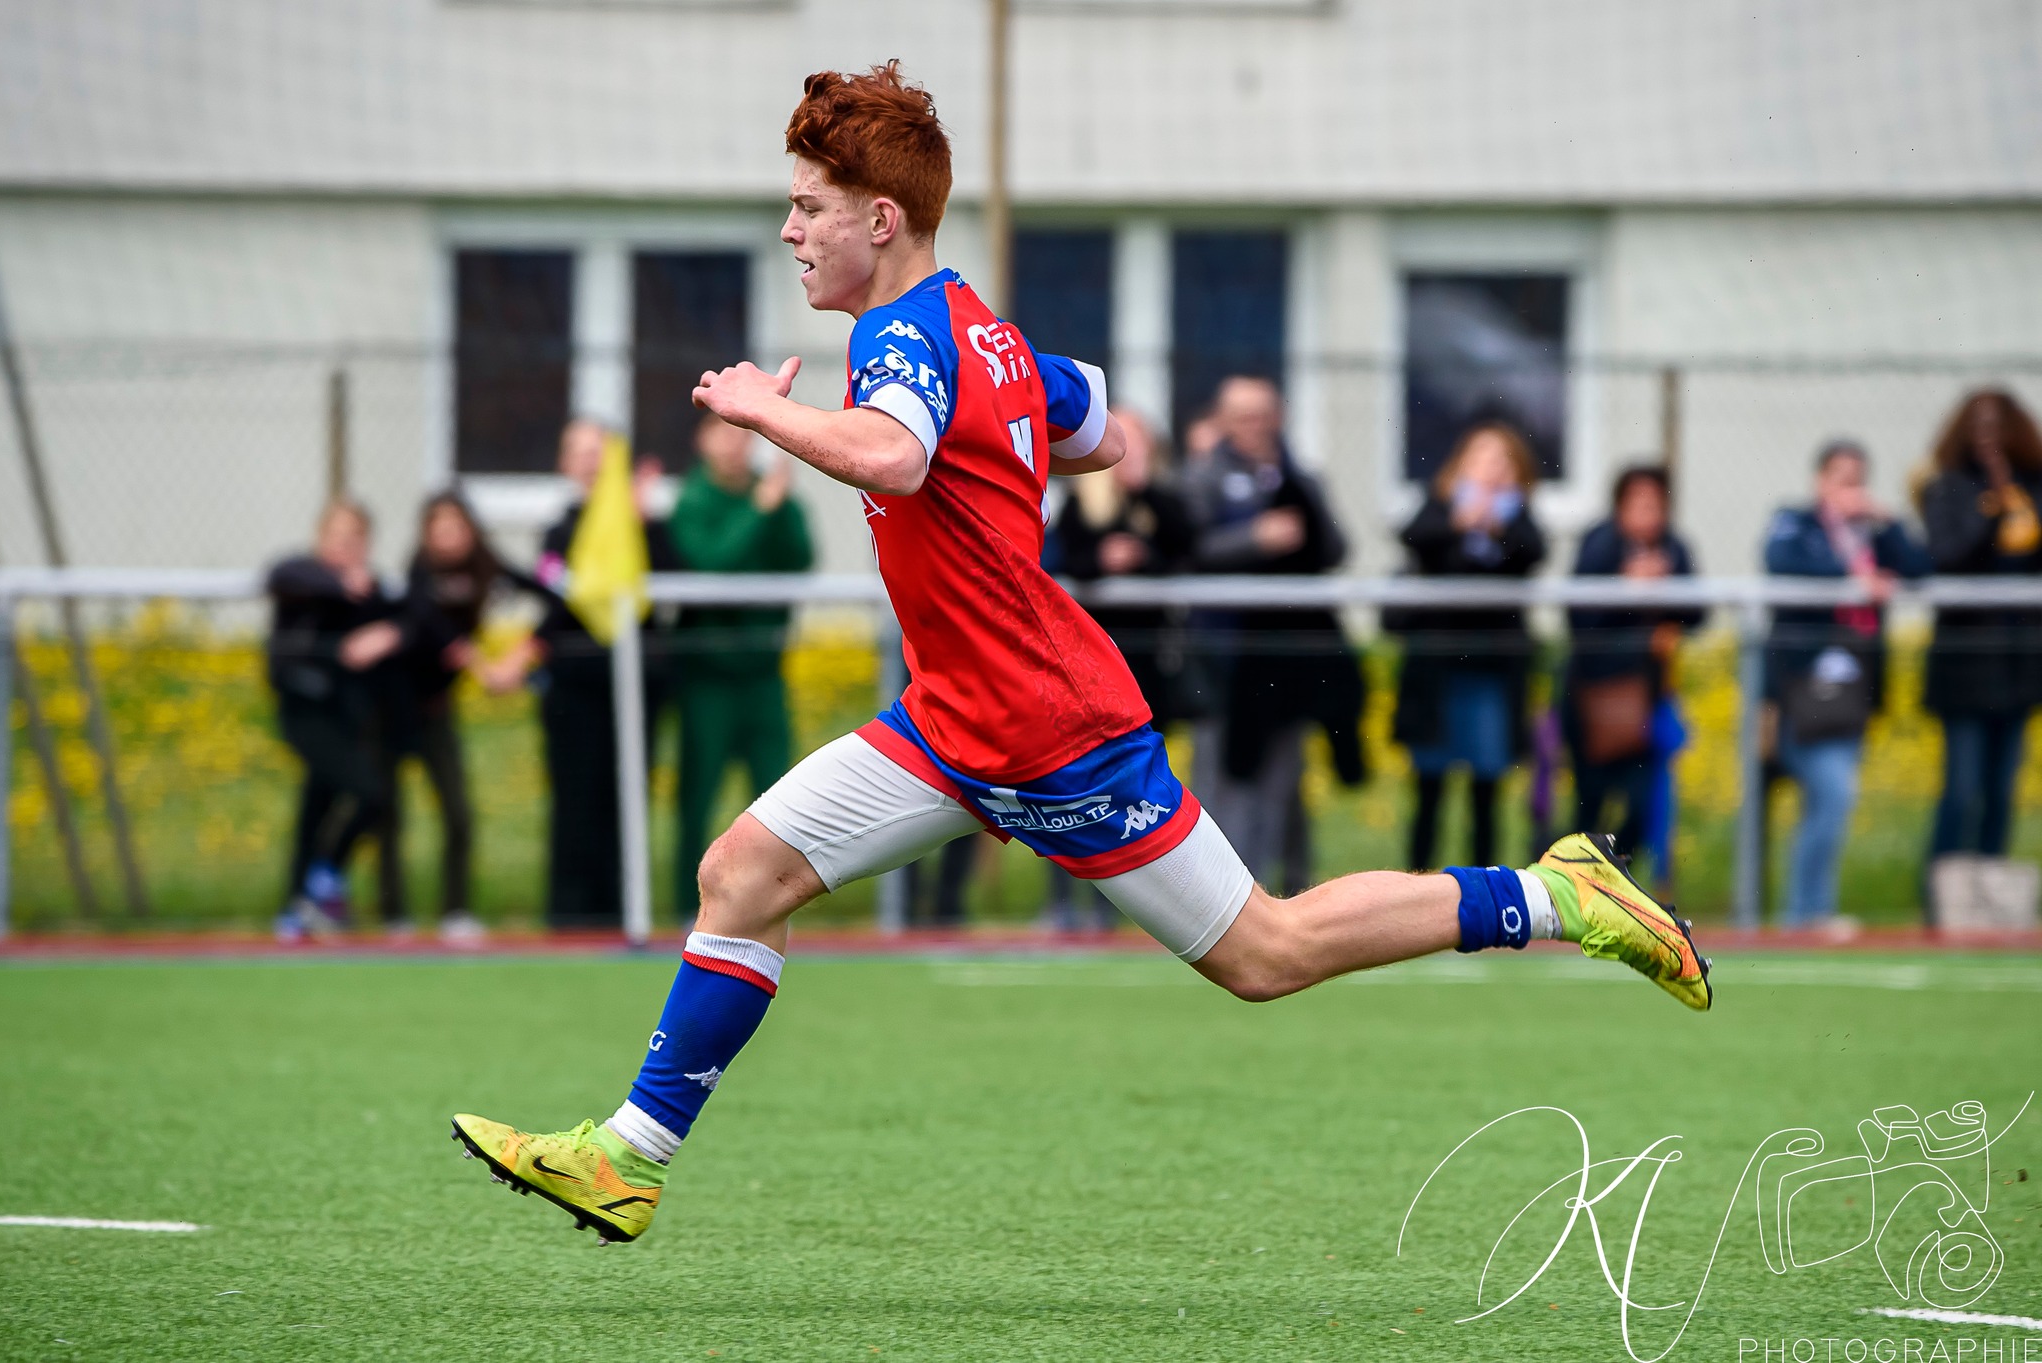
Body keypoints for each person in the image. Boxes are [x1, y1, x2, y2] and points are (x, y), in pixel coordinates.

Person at [450, 63, 1711, 1248]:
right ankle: (627, 1157)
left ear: (879, 218)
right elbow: (1111, 429)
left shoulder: (900, 344)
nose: (789, 231)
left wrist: (761, 408)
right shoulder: (978, 335)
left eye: (807, 207)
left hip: (1052, 729)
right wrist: (1016, 447)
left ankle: (1556, 895)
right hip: (954, 717)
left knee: (1262, 955)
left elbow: (893, 454)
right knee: (741, 877)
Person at [1181, 375, 1363, 895]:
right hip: (1223, 653)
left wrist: (1305, 508)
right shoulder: (1202, 478)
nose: (1254, 426)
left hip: (1285, 656)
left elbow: (1334, 549)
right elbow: (1190, 551)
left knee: (1284, 778)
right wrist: (1254, 539)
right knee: (1224, 775)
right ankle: (1218, 891)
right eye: (1242, 415)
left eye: (1262, 414)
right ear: (1223, 419)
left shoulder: (1299, 476)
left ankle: (1286, 888)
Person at [497, 418, 682, 929]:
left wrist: (645, 523)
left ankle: (624, 913)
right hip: (574, 692)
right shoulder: (559, 531)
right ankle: (570, 917)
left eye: (598, 448)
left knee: (626, 800)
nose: (589, 459)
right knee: (576, 800)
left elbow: (674, 585)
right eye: (576, 450)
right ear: (563, 463)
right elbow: (560, 598)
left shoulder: (641, 522)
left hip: (637, 686)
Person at [1762, 439, 1931, 928]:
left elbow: (1920, 566)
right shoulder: (1795, 521)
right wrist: (1855, 577)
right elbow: (1780, 559)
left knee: (1829, 801)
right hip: (1802, 692)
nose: (1850, 490)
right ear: (1820, 481)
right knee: (1833, 793)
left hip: (1854, 695)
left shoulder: (1872, 533)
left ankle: (1808, 911)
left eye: (1858, 479)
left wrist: (1889, 520)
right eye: (1840, 478)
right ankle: (1806, 914)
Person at [1045, 407, 1195, 926]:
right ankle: (1067, 902)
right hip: (1087, 668)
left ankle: (1137, 902)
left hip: (1147, 666)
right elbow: (1067, 562)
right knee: (1074, 782)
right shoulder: (1081, 503)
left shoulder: (1162, 500)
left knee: (1138, 782)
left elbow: (1185, 548)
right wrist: (1106, 559)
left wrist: (1143, 516)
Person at [670, 411, 815, 921]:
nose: (734, 445)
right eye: (724, 434)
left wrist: (780, 506)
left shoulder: (771, 495)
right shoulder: (692, 500)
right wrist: (758, 509)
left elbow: (800, 556)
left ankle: (774, 903)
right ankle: (688, 907)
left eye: (742, 435)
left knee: (779, 793)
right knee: (698, 795)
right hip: (708, 678)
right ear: (701, 439)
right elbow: (711, 562)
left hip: (764, 676)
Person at [1390, 422, 1548, 870]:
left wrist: (1495, 524)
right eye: (1481, 458)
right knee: (1430, 790)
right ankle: (1413, 889)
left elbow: (1534, 551)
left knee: (1485, 793)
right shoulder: (1438, 508)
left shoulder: (1518, 518)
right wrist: (1461, 523)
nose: (1491, 469)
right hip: (1437, 676)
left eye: (1502, 460)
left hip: (1491, 675)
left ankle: (1486, 894)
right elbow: (1414, 538)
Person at [372, 492, 527, 945]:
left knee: (458, 812)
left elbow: (542, 589)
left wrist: (524, 651)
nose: (446, 536)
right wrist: (484, 667)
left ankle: (455, 911)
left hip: (438, 712)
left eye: (455, 525)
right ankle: (393, 914)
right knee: (390, 814)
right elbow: (431, 626)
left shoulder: (486, 566)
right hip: (393, 709)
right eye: (437, 527)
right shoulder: (418, 570)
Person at [1917, 390, 2042, 879]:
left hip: (2019, 663)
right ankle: (1942, 896)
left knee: (2001, 791)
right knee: (1962, 787)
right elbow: (1947, 558)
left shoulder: (2033, 488)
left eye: (1998, 426)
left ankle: (1988, 898)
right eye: (1979, 427)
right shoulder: (1947, 488)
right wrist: (1991, 514)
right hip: (1966, 667)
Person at [265, 500, 399, 941]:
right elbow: (279, 573)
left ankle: (297, 901)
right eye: (337, 537)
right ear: (321, 539)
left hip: (347, 717)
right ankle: (324, 881)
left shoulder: (373, 590)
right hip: (305, 712)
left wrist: (390, 633)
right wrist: (341, 582)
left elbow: (413, 616)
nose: (346, 546)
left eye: (355, 538)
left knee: (316, 808)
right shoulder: (302, 579)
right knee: (369, 792)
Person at [1562, 466, 1702, 865]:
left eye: (1656, 504)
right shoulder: (1599, 544)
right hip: (1593, 700)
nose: (1648, 513)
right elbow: (1579, 621)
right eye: (1638, 503)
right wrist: (1626, 590)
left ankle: (1613, 880)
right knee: (1588, 808)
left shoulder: (1674, 548)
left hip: (1645, 703)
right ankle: (1572, 893)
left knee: (1642, 807)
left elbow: (1698, 610)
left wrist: (1665, 595)